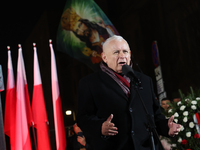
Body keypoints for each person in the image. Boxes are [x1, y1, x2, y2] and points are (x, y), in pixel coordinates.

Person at [76, 35, 181, 150]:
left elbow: (155, 117)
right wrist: (99, 127)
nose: (122, 55)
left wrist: (167, 127)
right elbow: (83, 118)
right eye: (116, 52)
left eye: (125, 51)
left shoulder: (145, 81)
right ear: (104, 57)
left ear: (130, 55)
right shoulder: (90, 83)